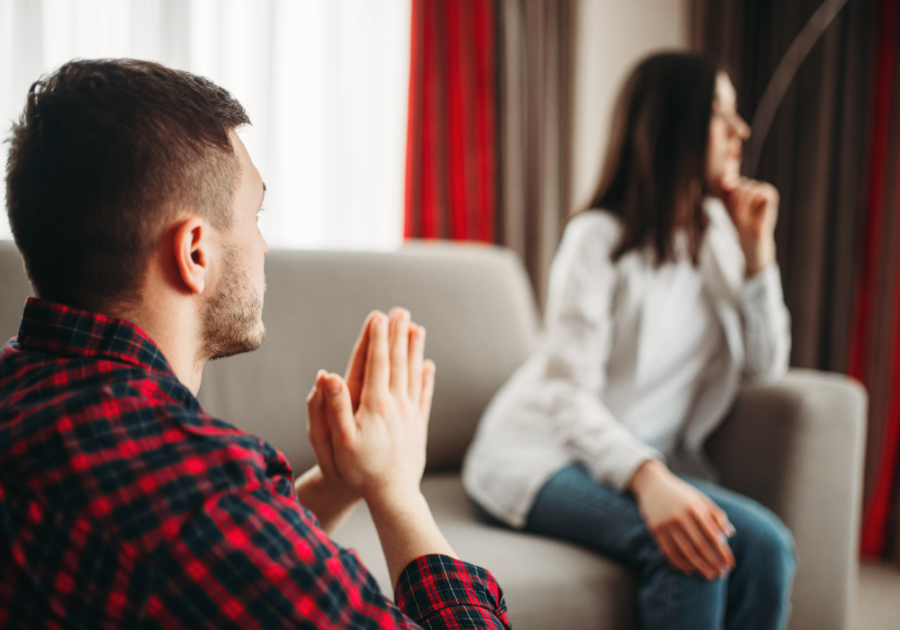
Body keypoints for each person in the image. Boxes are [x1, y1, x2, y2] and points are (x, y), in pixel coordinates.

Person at [0, 59, 509, 629]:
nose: (263, 246)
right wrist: (397, 493)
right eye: (255, 214)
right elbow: (204, 534)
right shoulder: (197, 493)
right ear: (195, 252)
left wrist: (337, 484)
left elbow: (220, 580)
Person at [463, 52, 795, 629]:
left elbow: (766, 368)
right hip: (542, 454)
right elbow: (567, 395)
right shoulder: (596, 239)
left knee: (768, 546)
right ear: (673, 129)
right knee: (693, 550)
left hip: (630, 459)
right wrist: (650, 479)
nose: (740, 131)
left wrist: (758, 259)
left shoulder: (721, 236)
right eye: (720, 116)